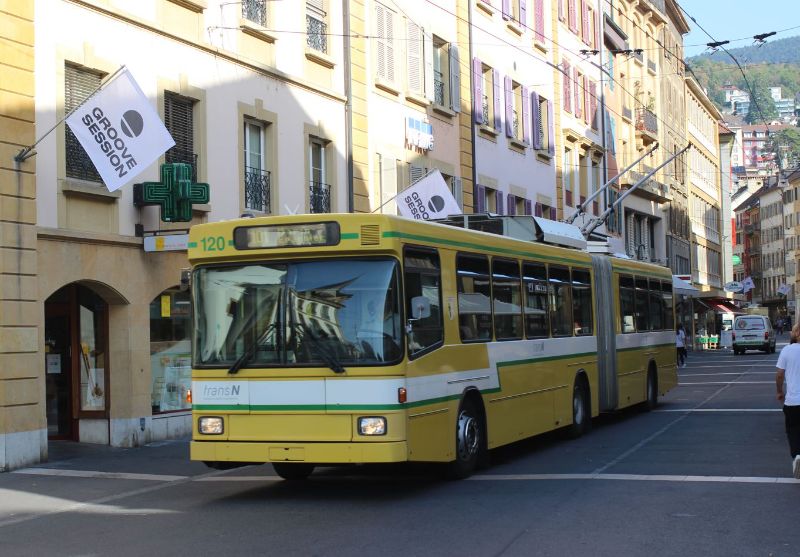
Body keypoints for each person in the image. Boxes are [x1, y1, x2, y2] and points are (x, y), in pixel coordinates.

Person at [776, 322, 800, 479]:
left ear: (796, 333)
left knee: (793, 431)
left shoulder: (787, 351)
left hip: (793, 401)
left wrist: (779, 391)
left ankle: (797, 456)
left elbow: (779, 375)